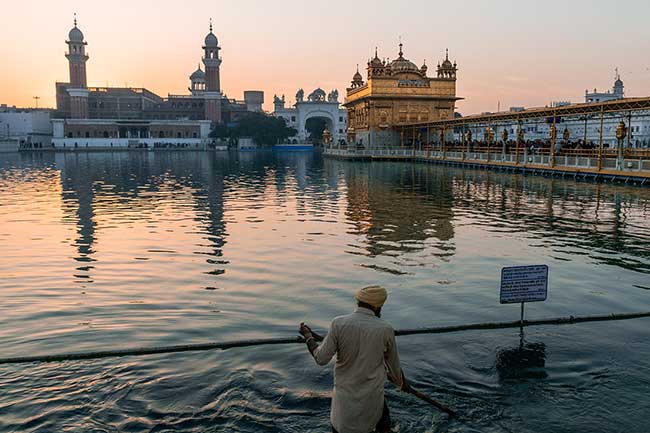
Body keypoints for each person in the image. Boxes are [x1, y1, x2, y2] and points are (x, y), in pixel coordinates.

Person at [299, 285, 410, 433]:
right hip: (372, 399)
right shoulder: (386, 329)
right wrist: (401, 383)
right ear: (377, 307)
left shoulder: (338, 323)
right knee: (382, 424)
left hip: (345, 403)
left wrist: (308, 337)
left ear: (358, 302)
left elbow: (321, 358)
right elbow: (394, 367)